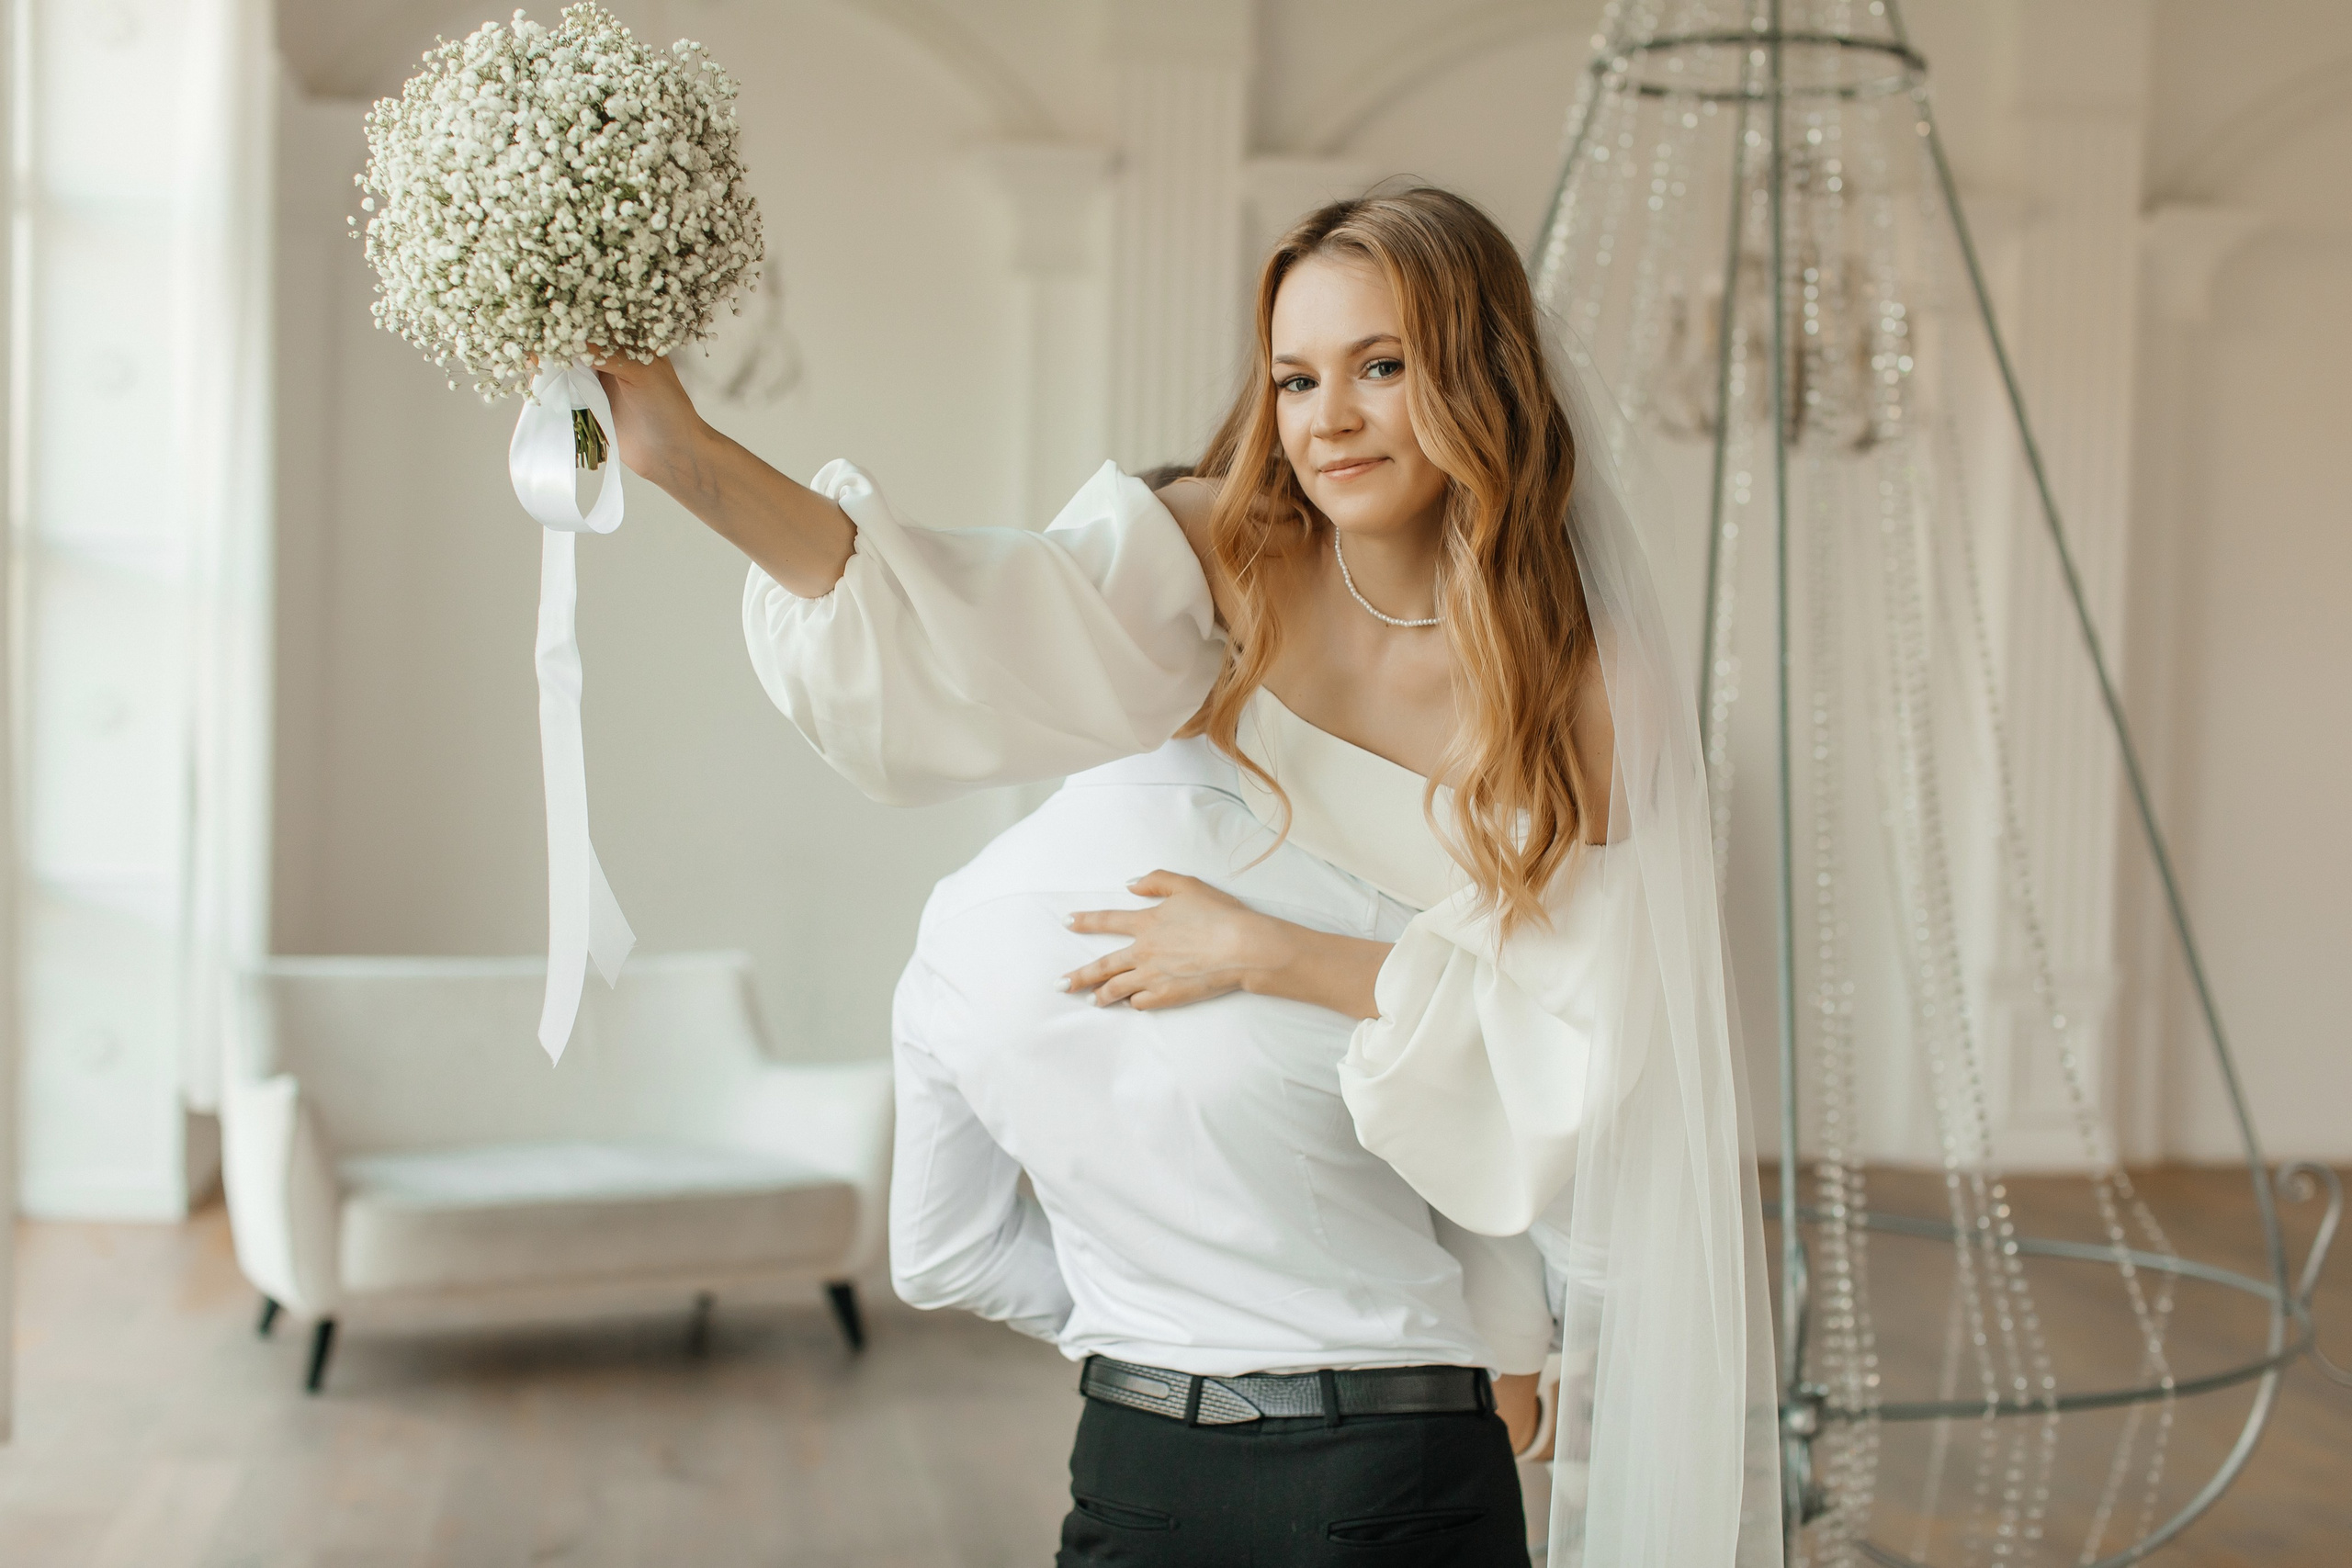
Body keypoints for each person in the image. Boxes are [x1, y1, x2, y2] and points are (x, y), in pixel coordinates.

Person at [598, 187, 1781, 1567]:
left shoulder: (1583, 681)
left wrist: (1268, 952)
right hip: (1257, 1337)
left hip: (1455, 1285)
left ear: (1482, 375)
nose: (1327, 417)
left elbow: (1583, 1045)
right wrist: (688, 460)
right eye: (1295, 377)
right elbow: (962, 622)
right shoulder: (1234, 556)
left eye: (1381, 366)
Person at [895, 732, 1554, 1564]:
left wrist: (1148, 1308)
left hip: (1136, 1465)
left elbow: (940, 1255)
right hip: (1396, 1464)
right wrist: (1519, 1365)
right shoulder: (1378, 882)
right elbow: (1491, 1148)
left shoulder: (958, 918)